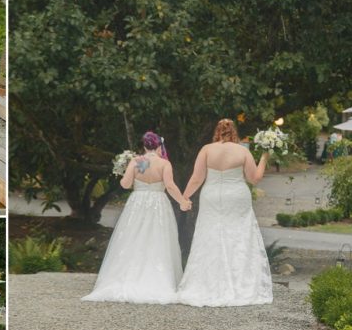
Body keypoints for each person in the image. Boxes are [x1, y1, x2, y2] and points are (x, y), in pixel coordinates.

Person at [82, 132, 189, 304]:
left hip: (137, 203)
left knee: (133, 237)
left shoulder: (137, 162)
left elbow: (125, 184)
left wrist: (127, 172)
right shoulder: (164, 164)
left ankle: (128, 276)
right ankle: (157, 280)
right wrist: (182, 202)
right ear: (158, 146)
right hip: (158, 204)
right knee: (157, 239)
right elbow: (169, 186)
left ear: (144, 146)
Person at [176, 119, 273, 306]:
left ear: (217, 132)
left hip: (211, 196)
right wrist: (264, 156)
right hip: (237, 196)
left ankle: (207, 283)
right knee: (239, 235)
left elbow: (197, 178)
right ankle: (240, 283)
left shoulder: (206, 149)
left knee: (209, 235)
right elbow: (255, 179)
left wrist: (184, 198)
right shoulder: (243, 151)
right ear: (234, 132)